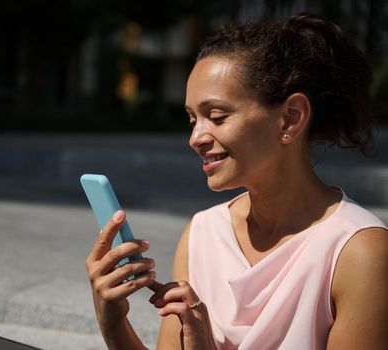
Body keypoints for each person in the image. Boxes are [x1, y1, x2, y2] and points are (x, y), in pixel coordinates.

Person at [85, 13, 388, 349]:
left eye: (217, 116)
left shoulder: (359, 252)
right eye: (192, 119)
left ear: (291, 118)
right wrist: (113, 323)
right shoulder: (202, 233)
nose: (196, 137)